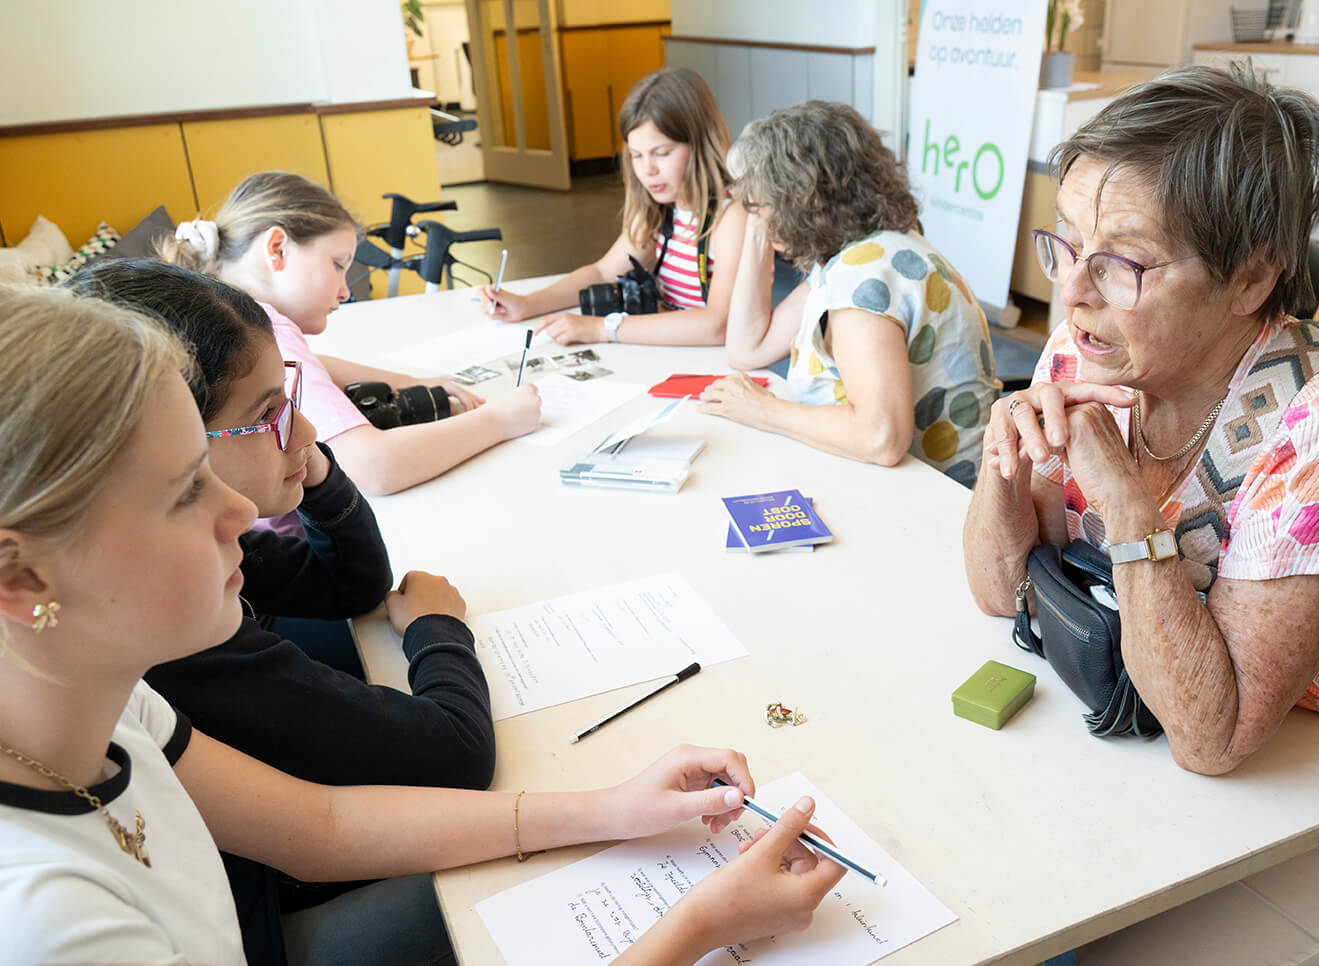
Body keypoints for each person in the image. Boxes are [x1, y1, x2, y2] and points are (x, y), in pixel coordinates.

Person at [0, 284, 844, 965]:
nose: (238, 511)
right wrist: (697, 928)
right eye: (187, 488)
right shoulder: (51, 921)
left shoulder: (106, 701)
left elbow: (320, 827)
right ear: (21, 575)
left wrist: (613, 809)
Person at [960, 63, 1319, 964]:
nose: (1071, 295)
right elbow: (999, 592)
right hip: (1188, 749)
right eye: (1065, 244)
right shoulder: (1088, 347)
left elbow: (1212, 736)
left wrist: (1123, 498)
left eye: (1121, 264)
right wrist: (1004, 456)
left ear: (1252, 276)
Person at [68, 257, 498, 962]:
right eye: (266, 413)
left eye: (288, 399)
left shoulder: (180, 560)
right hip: (263, 919)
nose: (304, 430)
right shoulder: (173, 620)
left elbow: (351, 587)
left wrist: (305, 462)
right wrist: (436, 630)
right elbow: (455, 757)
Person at [160, 171, 541, 495]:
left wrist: (411, 381)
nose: (344, 290)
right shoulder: (266, 333)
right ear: (277, 249)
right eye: (338, 264)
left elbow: (313, 365)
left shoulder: (220, 311)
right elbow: (373, 466)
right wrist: (502, 419)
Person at [703, 100, 999, 485]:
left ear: (799, 200)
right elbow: (748, 348)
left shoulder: (863, 275)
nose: (753, 215)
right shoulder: (868, 252)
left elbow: (880, 437)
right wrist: (760, 221)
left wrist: (763, 409)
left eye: (760, 204)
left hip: (930, 498)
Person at [482, 67, 748, 348]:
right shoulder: (663, 209)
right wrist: (526, 304)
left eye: (661, 153)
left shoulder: (731, 217)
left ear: (699, 145)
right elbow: (601, 272)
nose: (648, 170)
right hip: (675, 352)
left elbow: (717, 326)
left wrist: (603, 328)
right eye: (636, 155)